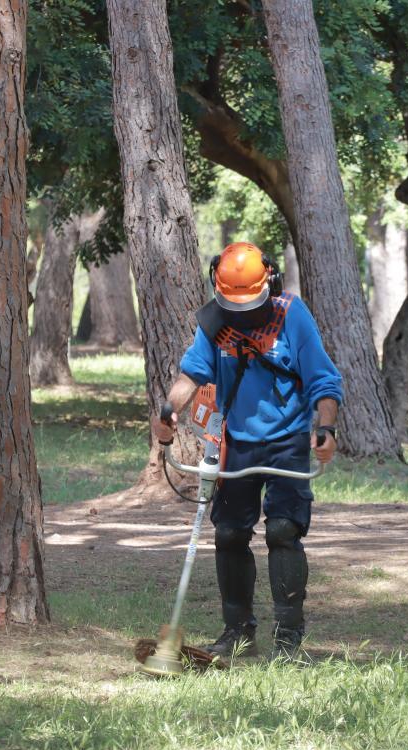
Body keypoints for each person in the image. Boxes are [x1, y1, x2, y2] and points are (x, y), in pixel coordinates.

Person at [152, 242, 342, 660]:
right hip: (237, 443)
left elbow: (324, 380)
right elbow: (191, 375)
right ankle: (238, 634)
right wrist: (169, 410)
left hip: (287, 440)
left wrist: (325, 427)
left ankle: (289, 637)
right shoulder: (214, 321)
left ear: (269, 284)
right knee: (229, 533)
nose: (240, 312)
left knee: (282, 530)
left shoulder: (292, 316)